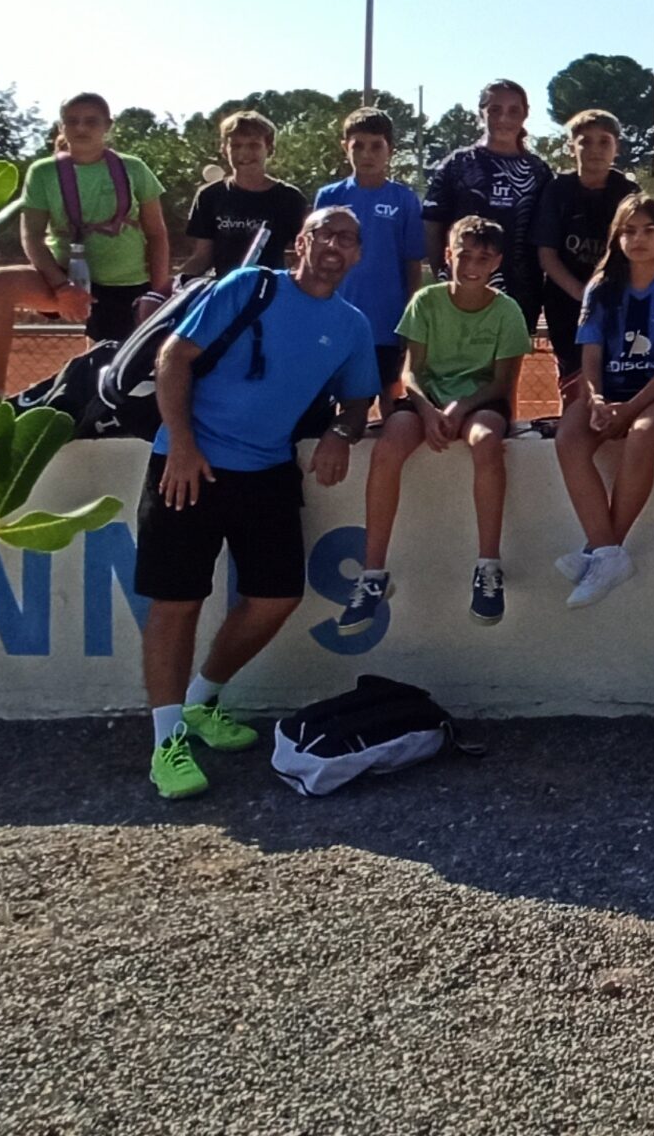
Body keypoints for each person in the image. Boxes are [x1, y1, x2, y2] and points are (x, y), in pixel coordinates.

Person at [137, 207, 379, 799]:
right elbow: (173, 357)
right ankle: (166, 743)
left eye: (348, 239)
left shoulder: (351, 325)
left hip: (267, 470)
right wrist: (183, 446)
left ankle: (201, 702)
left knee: (276, 598)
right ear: (301, 242)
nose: (335, 245)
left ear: (357, 255)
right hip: (188, 464)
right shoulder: (250, 285)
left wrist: (340, 433)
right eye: (325, 233)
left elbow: (358, 401)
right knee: (177, 603)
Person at [338, 215, 532, 631]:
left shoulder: (508, 311)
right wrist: (427, 410)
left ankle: (488, 567)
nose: (472, 265)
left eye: (483, 257)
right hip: (425, 401)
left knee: (486, 441)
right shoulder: (425, 301)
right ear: (448, 255)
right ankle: (372, 575)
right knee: (389, 446)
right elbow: (410, 373)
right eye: (464, 255)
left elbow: (501, 383)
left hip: (480, 403)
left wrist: (460, 407)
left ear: (497, 262)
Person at [551, 196, 654, 608]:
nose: (639, 239)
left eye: (649, 230)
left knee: (642, 436)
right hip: (609, 392)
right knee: (569, 437)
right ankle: (607, 552)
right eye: (629, 231)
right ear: (616, 238)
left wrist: (630, 409)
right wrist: (597, 398)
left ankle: (600, 551)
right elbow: (591, 356)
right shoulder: (600, 289)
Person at [0, 92, 171, 394]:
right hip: (64, 280)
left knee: (107, 378)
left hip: (125, 288)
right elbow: (31, 236)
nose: (81, 128)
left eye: (91, 121)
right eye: (72, 121)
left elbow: (157, 234)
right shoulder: (43, 172)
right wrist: (62, 287)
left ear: (107, 126)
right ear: (61, 127)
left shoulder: (134, 169)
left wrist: (157, 296)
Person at [423, 77, 553, 350]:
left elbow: (546, 237)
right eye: (494, 109)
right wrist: (444, 276)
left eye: (513, 110)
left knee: (505, 371)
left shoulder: (539, 172)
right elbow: (432, 226)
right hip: (461, 291)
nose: (504, 118)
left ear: (525, 114)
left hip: (520, 293)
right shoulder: (457, 165)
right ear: (480, 113)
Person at [313, 107, 427, 391]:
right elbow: (315, 260)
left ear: (391, 150)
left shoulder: (404, 199)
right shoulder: (329, 196)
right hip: (336, 318)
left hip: (387, 321)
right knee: (337, 395)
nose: (367, 154)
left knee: (391, 397)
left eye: (376, 146)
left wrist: (409, 318)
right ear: (345, 148)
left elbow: (412, 264)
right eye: (358, 146)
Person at [533, 109, 640, 403]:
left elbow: (639, 251)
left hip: (617, 301)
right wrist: (583, 295)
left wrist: (611, 296)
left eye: (604, 142)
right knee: (574, 384)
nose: (595, 149)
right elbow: (547, 255)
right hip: (567, 303)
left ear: (617, 148)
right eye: (585, 142)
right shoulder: (557, 191)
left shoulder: (627, 192)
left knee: (616, 381)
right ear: (571, 147)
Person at [181, 109, 306, 278]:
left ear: (269, 149)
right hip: (223, 290)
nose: (244, 153)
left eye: (253, 145)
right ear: (224, 150)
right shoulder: (209, 196)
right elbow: (202, 258)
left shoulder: (290, 198)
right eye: (236, 146)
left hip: (269, 290)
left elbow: (305, 255)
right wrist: (167, 287)